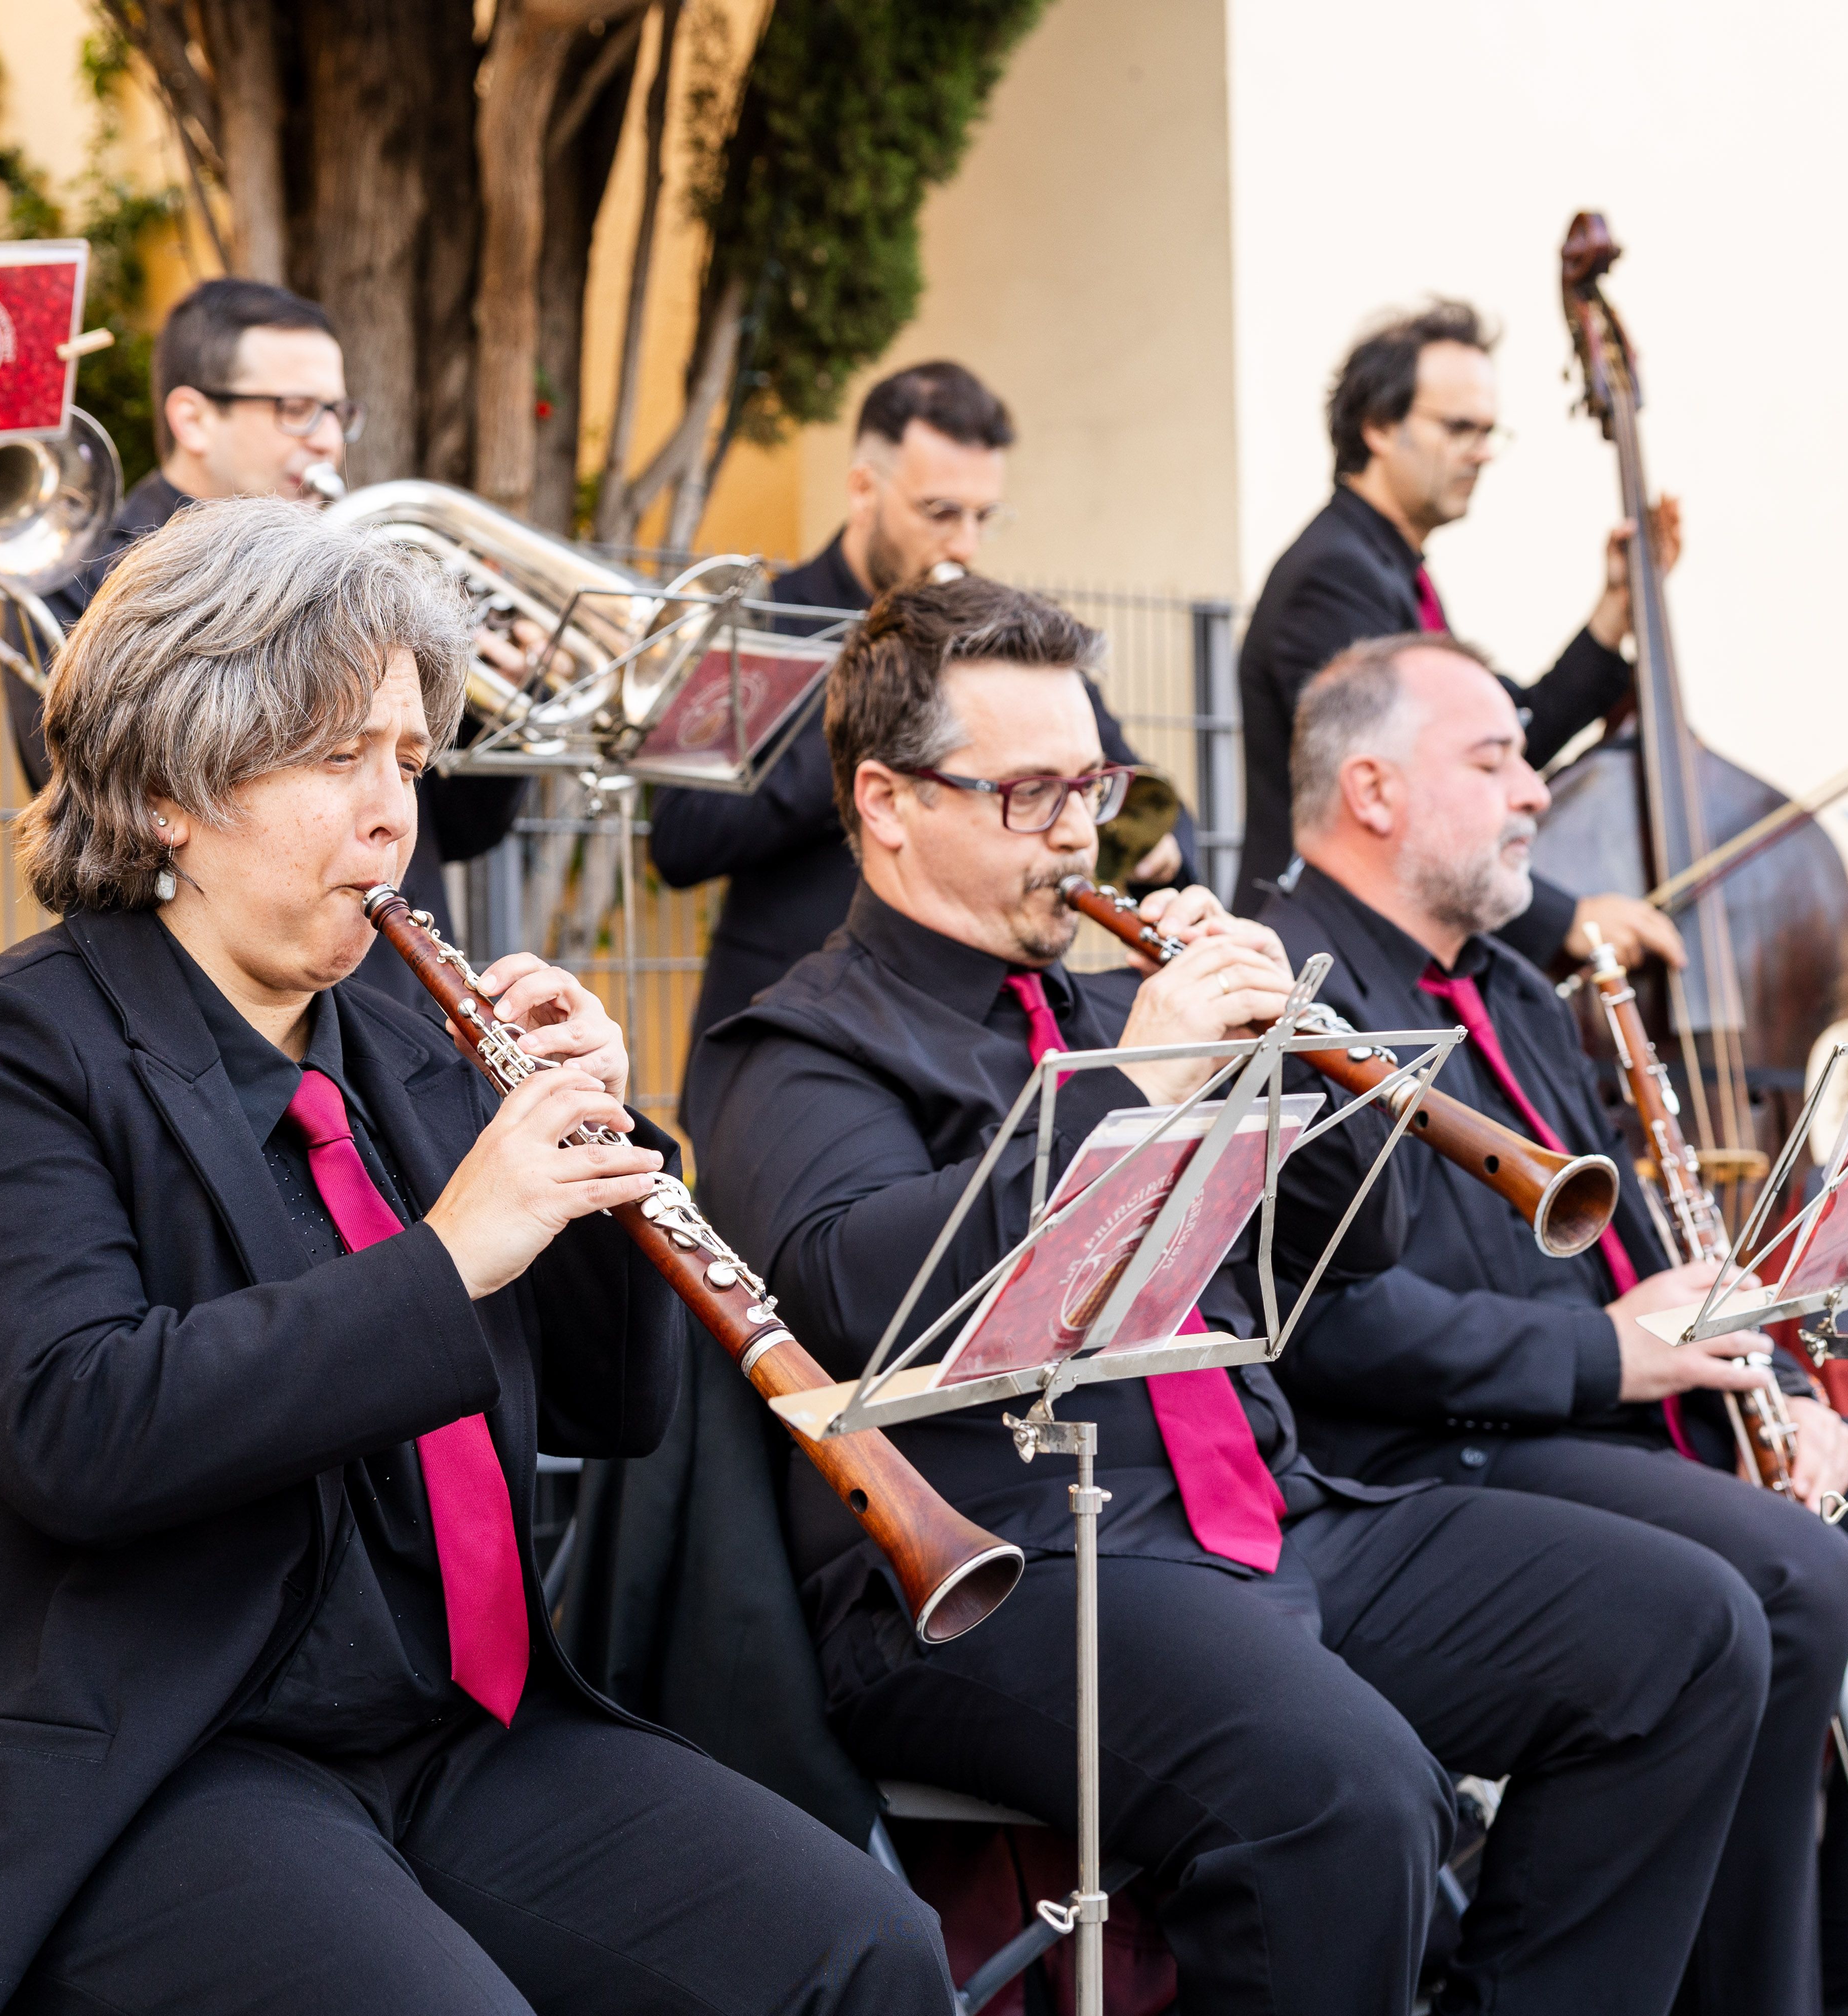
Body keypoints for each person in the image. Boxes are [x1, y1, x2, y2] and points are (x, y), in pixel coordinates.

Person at [0, 497, 947, 2016]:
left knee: (863, 1947)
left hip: (457, 1729)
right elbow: (78, 1430)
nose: (392, 813)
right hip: (154, 1766)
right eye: (336, 757)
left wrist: (606, 1162)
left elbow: (618, 1414)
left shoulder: (411, 1046)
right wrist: (451, 1250)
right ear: (172, 784)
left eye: (409, 762)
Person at [690, 573, 1769, 2013]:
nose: (1078, 830)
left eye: (1093, 783)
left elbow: (1354, 1248)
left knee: (1690, 1635)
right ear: (887, 803)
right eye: (1027, 794)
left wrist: (1296, 1065)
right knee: (1357, 1793)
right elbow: (855, 1294)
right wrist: (1141, 1088)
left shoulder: (1091, 1002)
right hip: (1005, 1570)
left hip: (1257, 1514)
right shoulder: (797, 1048)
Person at [1254, 633, 1848, 2012]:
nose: (1535, 793)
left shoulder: (1516, 987)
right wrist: (1605, 1355)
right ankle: (1745, 1991)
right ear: (1374, 791)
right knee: (1783, 1573)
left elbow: (1656, 1248)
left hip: (1622, 1410)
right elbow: (1320, 1324)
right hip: (1430, 1449)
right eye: (1497, 759)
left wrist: (1778, 1380)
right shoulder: (1292, 991)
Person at [649, 360, 1187, 1145]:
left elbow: (1136, 802)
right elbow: (682, 835)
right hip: (793, 1051)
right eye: (940, 512)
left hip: (970, 1047)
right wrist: (872, 715)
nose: (963, 543)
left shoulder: (992, 646)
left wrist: (1163, 860)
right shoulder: (763, 625)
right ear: (864, 489)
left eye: (983, 517)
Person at [1, 278, 529, 1001]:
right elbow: (99, 808)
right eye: (295, 409)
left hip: (386, 999)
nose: (326, 437)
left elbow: (458, 832)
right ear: (192, 419)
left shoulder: (365, 582)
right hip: (194, 1009)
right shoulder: (89, 575)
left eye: (338, 412)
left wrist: (497, 698)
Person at [1236, 298, 1683, 977]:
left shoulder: (1389, 569)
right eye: (1458, 429)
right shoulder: (1333, 578)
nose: (1481, 453)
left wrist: (1616, 609)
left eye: (1489, 432)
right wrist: (1564, 918)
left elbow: (1507, 736)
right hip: (1331, 964)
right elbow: (1406, 801)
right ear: (1378, 428)